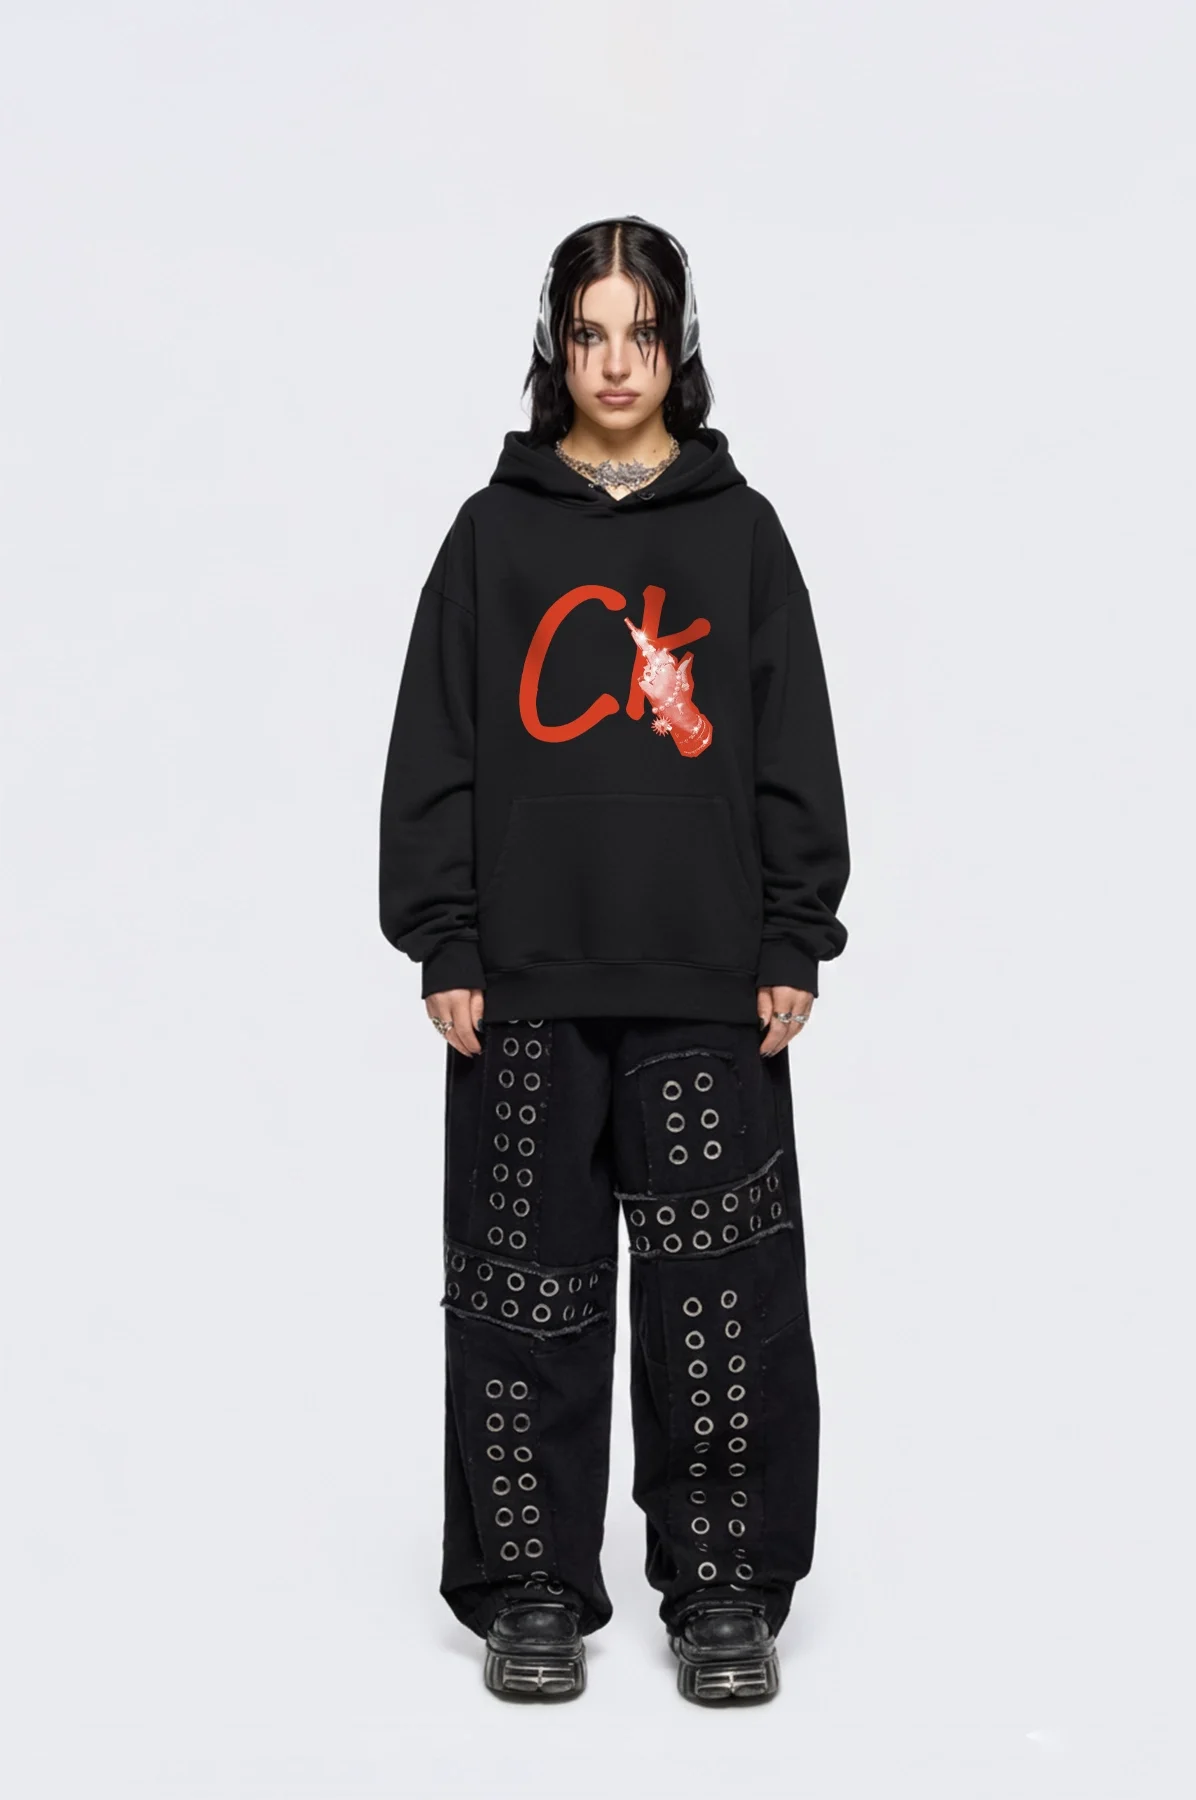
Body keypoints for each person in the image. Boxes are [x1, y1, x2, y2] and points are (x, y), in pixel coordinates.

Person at [378, 215, 851, 1705]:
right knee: (520, 1293)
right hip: (523, 976)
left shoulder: (739, 531)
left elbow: (792, 741)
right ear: (555, 348)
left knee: (723, 1302)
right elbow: (438, 744)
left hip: (709, 973)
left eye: (642, 333)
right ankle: (531, 1586)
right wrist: (445, 937)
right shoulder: (492, 532)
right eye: (590, 334)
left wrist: (794, 929)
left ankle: (725, 1587)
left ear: (678, 346)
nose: (617, 363)